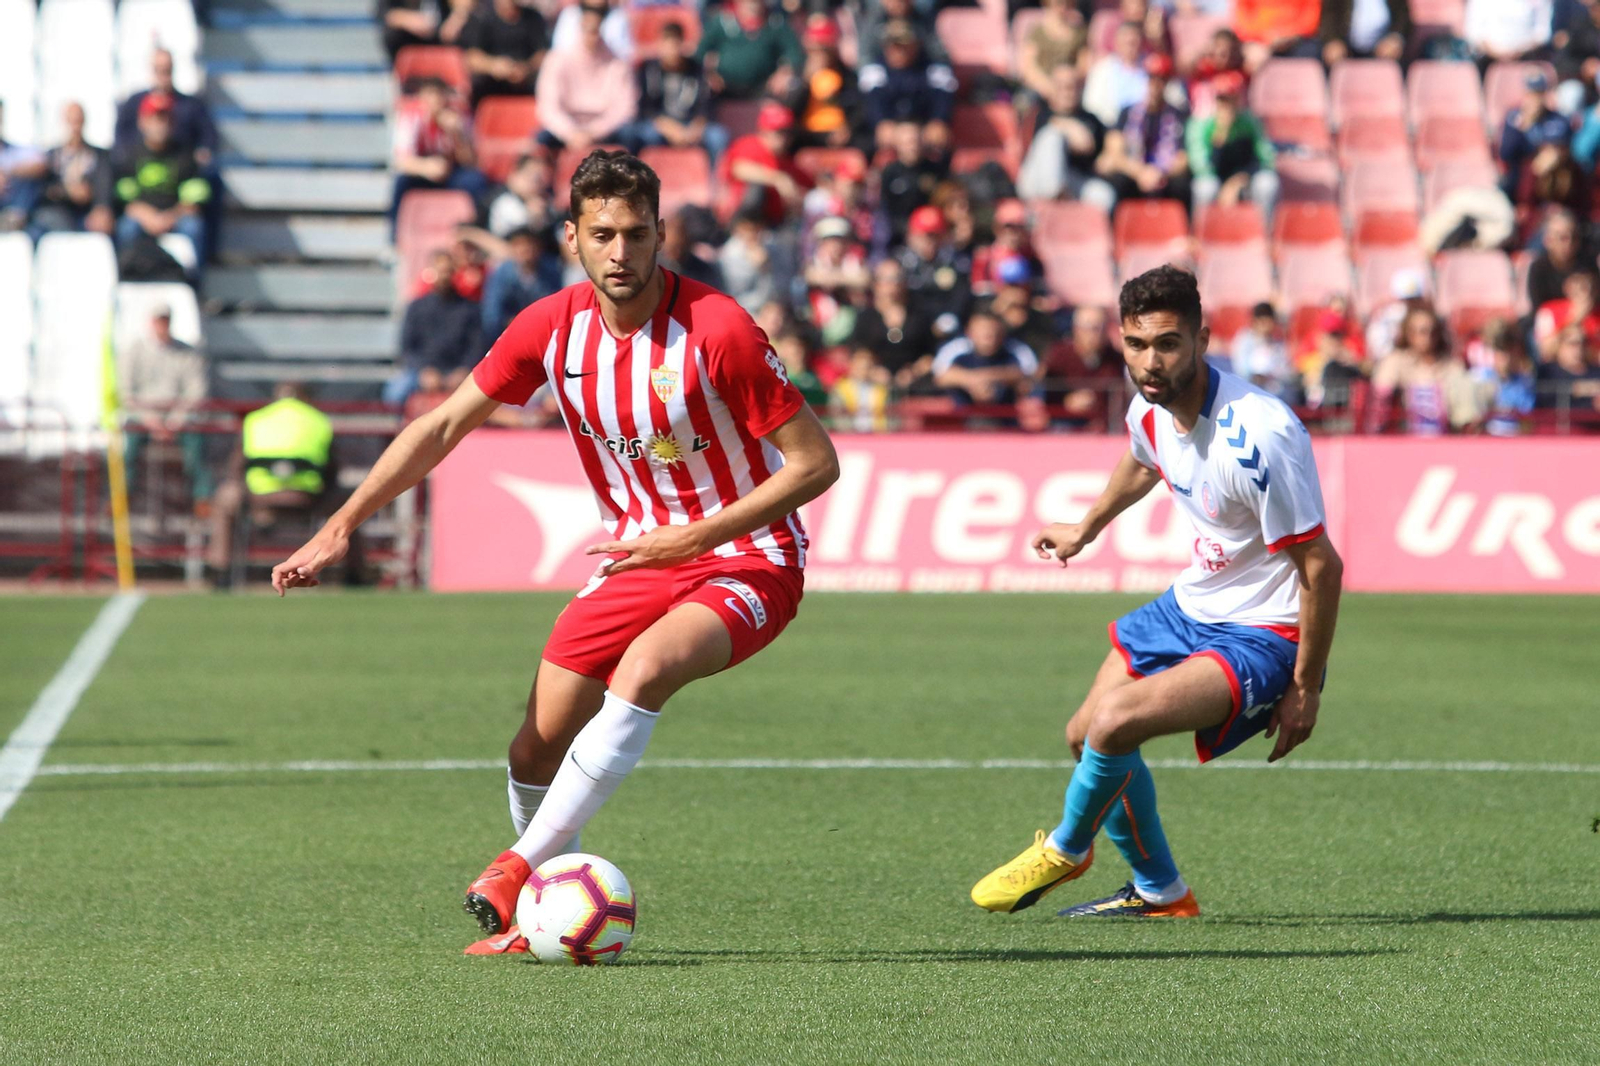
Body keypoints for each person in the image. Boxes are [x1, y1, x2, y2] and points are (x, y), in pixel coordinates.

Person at [269, 150, 841, 955]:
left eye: (636, 234)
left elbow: (818, 463)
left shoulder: (718, 330)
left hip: (747, 556)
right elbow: (440, 427)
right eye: (602, 234)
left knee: (644, 670)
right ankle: (542, 912)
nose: (620, 253)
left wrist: (696, 535)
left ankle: (515, 869)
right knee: (534, 744)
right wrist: (342, 523)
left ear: (659, 235)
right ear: (571, 235)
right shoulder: (550, 327)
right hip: (637, 559)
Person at [971, 265, 1342, 918]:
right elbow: (1144, 456)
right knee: (1084, 735)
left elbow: (1322, 568)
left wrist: (1306, 686)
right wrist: (1085, 528)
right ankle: (1161, 891)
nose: (1151, 360)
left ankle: (1067, 848)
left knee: (1114, 726)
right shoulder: (1150, 401)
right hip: (1192, 604)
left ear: (1201, 338)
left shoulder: (1260, 434)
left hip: (1265, 632)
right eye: (1137, 344)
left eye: (1168, 343)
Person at [208, 383, 363, 587]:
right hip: (307, 498)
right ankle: (355, 574)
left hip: (258, 499)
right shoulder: (319, 420)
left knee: (225, 497)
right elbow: (332, 468)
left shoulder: (255, 420)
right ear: (306, 397)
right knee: (354, 505)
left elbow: (236, 467)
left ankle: (221, 571)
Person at [118, 304, 211, 505]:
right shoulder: (134, 351)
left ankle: (202, 498)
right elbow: (126, 392)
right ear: (150, 322)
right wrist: (150, 420)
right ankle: (120, 496)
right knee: (128, 448)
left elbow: (196, 391)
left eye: (165, 320)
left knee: (198, 445)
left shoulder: (187, 353)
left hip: (178, 417)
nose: (162, 325)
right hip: (143, 415)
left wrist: (174, 421)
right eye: (159, 320)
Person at [112, 94, 211, 266]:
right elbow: (124, 200)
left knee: (193, 227)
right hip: (142, 216)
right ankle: (127, 274)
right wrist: (148, 217)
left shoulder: (185, 154)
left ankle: (193, 283)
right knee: (126, 228)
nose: (160, 124)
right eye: (154, 118)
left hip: (175, 216)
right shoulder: (130, 155)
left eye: (165, 118)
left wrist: (169, 218)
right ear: (142, 122)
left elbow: (193, 201)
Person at [389, 78, 488, 233]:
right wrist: (426, 167)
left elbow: (471, 162)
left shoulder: (460, 117)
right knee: (401, 182)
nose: (435, 101)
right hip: (422, 173)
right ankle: (395, 236)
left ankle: (478, 229)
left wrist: (457, 134)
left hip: (452, 172)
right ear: (421, 98)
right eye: (430, 95)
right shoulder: (411, 117)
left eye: (440, 95)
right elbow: (400, 160)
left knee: (476, 180)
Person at [534, 3, 636, 155]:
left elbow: (625, 108)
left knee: (632, 137)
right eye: (587, 29)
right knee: (540, 142)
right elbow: (549, 107)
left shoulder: (617, 64)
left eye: (595, 29)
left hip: (606, 130)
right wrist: (571, 133)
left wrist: (593, 133)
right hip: (567, 128)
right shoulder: (557, 60)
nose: (592, 35)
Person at [621, 21, 728, 162]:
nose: (671, 50)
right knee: (643, 134)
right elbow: (646, 107)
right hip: (659, 124)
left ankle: (715, 182)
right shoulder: (648, 69)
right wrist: (669, 128)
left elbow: (705, 104)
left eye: (675, 44)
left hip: (689, 124)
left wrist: (696, 127)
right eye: (667, 44)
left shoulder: (696, 69)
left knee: (718, 136)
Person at [1096, 53, 1190, 212]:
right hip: (1134, 171)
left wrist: (1160, 173)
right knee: (1118, 181)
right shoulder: (1127, 112)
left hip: (1163, 174)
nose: (1155, 85)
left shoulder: (1178, 115)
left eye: (1161, 79)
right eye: (1151, 79)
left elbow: (1183, 158)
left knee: (1181, 186)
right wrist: (1140, 172)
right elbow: (1114, 151)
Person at [388, 248, 484, 405]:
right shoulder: (416, 307)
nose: (444, 275)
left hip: (458, 372)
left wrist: (463, 370)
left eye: (447, 271)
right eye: (440, 270)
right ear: (430, 272)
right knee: (396, 393)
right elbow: (407, 348)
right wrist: (423, 371)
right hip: (422, 371)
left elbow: (476, 346)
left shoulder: (470, 309)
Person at [1187, 71, 1278, 226]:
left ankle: (1264, 237)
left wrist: (1236, 182)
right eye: (1223, 100)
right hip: (1215, 178)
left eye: (1231, 99)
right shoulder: (1201, 125)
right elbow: (1201, 166)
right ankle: (1201, 234)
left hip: (1243, 179)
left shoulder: (1250, 123)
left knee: (1267, 183)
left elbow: (1266, 159)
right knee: (1206, 187)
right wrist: (1219, 139)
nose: (1227, 106)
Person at [1017, 64, 1111, 207]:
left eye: (1072, 86)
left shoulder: (1090, 119)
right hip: (1036, 181)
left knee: (1104, 195)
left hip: (1072, 181)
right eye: (1062, 86)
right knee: (1053, 136)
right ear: (1053, 88)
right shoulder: (1039, 115)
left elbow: (1088, 146)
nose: (1068, 92)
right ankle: (1054, 195)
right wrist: (1070, 128)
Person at [860, 19, 957, 154]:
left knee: (939, 137)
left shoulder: (933, 69)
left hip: (923, 130)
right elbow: (872, 101)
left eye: (903, 45)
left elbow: (943, 98)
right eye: (892, 45)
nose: (897, 50)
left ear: (915, 45)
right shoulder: (875, 70)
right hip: (892, 129)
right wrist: (880, 121)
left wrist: (939, 120)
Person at [114, 48, 217, 165]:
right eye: (158, 69)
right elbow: (121, 136)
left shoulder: (191, 105)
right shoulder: (134, 103)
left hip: (181, 167)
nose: (163, 75)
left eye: (167, 70)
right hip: (142, 166)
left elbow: (208, 138)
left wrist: (200, 155)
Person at [718, 102, 812, 225]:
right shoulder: (749, 145)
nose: (785, 138)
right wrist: (778, 179)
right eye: (779, 132)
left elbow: (810, 186)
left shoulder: (785, 160)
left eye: (788, 133)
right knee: (756, 189)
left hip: (774, 226)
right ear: (764, 131)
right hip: (740, 223)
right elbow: (739, 169)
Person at [697, 0, 804, 101]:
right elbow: (699, 52)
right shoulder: (723, 21)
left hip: (763, 87)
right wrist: (709, 74)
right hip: (724, 87)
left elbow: (793, 52)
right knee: (700, 88)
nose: (753, 5)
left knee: (794, 88)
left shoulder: (775, 23)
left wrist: (784, 72)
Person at [33, 102, 114, 236]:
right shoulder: (51, 156)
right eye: (71, 121)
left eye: (78, 121)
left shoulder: (99, 155)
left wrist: (101, 208)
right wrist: (67, 191)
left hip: (89, 214)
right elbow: (43, 190)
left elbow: (105, 184)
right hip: (59, 213)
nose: (75, 127)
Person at [932, 309, 1040, 409]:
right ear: (969, 332)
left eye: (993, 331)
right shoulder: (956, 349)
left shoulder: (1017, 350)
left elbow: (1029, 376)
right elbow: (941, 376)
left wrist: (989, 378)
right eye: (983, 331)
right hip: (962, 419)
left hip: (1007, 420)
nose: (989, 336)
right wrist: (973, 382)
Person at [1500, 71, 1573, 199]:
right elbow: (1506, 153)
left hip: (1551, 183)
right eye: (1531, 93)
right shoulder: (1513, 118)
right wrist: (1524, 125)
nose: (1535, 98)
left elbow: (1559, 148)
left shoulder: (1557, 119)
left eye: (1539, 93)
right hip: (1520, 179)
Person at [462, 0, 548, 107]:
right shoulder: (481, 16)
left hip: (526, 83)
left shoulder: (533, 18)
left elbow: (542, 53)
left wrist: (526, 68)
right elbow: (472, 57)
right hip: (491, 86)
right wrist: (494, 66)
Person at [482, 226, 562, 340]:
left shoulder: (552, 270)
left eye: (529, 244)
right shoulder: (501, 275)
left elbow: (557, 307)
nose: (525, 249)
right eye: (519, 244)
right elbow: (492, 314)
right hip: (509, 336)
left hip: (545, 334)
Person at [1468, 320, 1536, 435]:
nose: (1506, 357)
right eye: (1500, 349)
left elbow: (1527, 423)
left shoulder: (1525, 383)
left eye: (1509, 350)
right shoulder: (1478, 378)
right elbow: (1472, 423)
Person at [1084, 22, 1151, 128]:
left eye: (1134, 42)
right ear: (1117, 42)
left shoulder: (1151, 68)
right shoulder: (1101, 70)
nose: (1130, 47)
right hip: (1109, 128)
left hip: (1145, 126)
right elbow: (1091, 105)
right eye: (1126, 42)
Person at [1231, 301, 1297, 401]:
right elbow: (1240, 368)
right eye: (1263, 322)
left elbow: (1286, 371)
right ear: (1255, 322)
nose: (1267, 326)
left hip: (1274, 390)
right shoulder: (1244, 341)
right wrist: (1255, 377)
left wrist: (1271, 376)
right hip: (1249, 389)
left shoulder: (1278, 343)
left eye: (1270, 322)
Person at [1526, 208, 1588, 310]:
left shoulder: (1587, 266)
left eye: (1574, 237)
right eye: (1563, 238)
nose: (1569, 243)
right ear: (1548, 240)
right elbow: (1539, 310)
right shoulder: (1538, 268)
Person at [0, 102, 49, 231]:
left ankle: (14, 216)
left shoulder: (13, 151)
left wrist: (7, 172)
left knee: (26, 179)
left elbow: (41, 165)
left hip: (13, 205)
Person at [1533, 269, 1600, 359]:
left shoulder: (1597, 315)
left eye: (1590, 286)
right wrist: (1575, 319)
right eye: (1581, 286)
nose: (1586, 292)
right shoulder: (1549, 310)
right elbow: (1545, 350)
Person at [380, 0, 474, 63]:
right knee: (392, 35)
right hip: (410, 40)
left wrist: (456, 19)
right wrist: (412, 20)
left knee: (469, 30)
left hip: (441, 38)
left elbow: (464, 4)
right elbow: (386, 14)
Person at [830, 346, 893, 430]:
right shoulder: (840, 388)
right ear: (852, 365)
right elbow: (836, 414)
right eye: (860, 366)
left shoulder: (880, 390)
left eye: (867, 367)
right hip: (849, 435)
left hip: (877, 435)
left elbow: (891, 415)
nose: (863, 370)